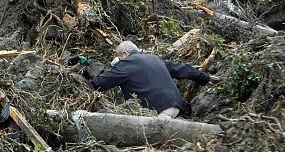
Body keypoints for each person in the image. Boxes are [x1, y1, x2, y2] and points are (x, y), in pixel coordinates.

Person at [90, 40, 219, 118]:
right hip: (176, 106)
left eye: (119, 57)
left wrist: (87, 84)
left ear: (125, 54)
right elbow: (181, 69)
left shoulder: (126, 63)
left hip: (158, 111)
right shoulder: (155, 58)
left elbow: (102, 82)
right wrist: (204, 77)